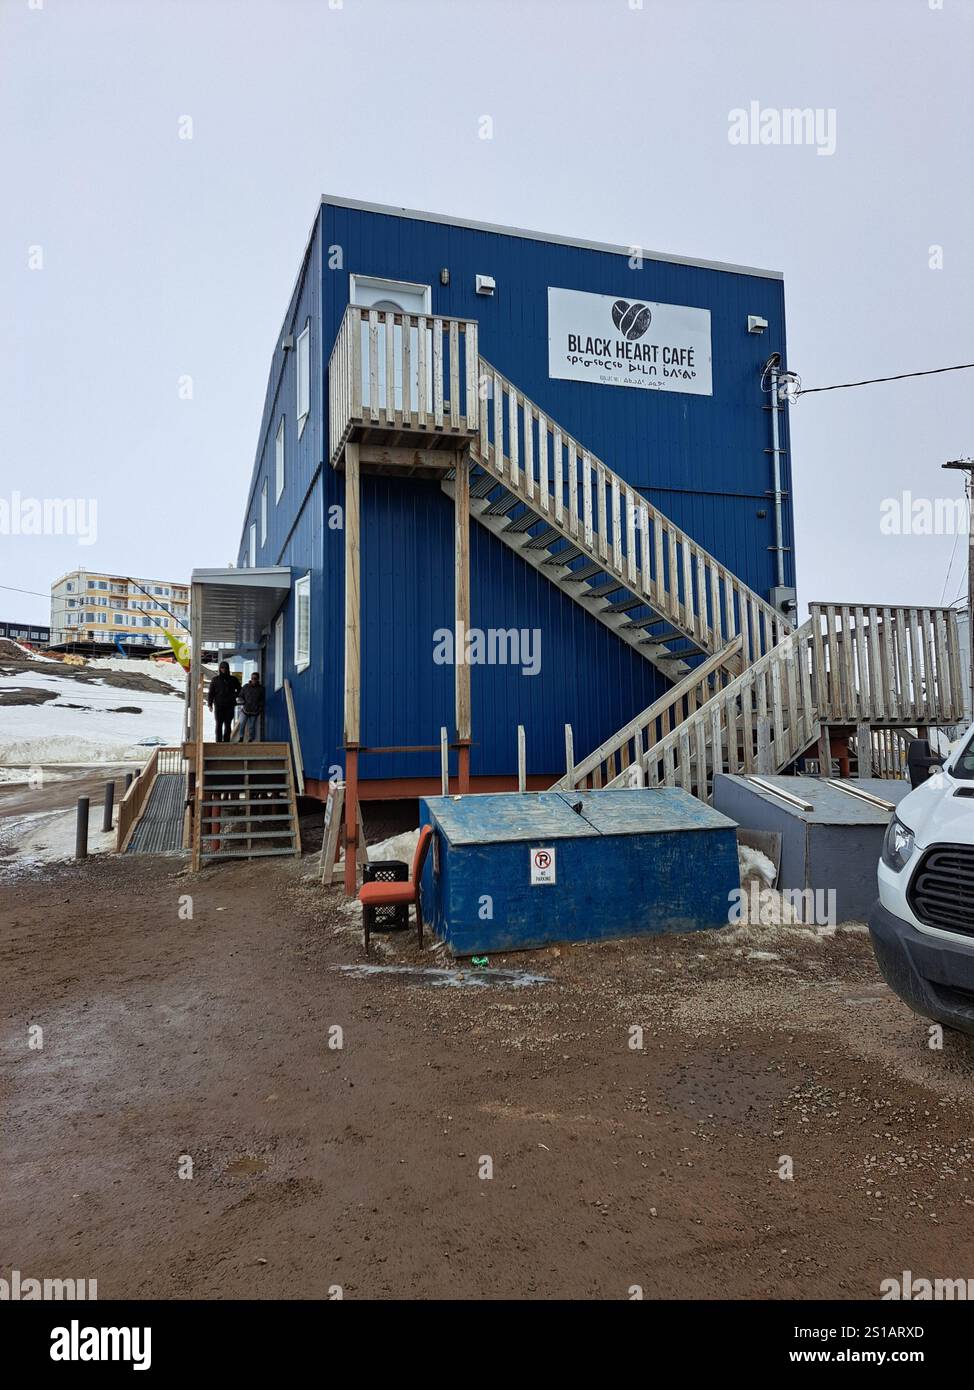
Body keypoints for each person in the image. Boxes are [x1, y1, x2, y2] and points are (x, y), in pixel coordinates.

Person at [207, 661, 241, 743]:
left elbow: (240, 690)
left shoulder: (233, 679)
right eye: (222, 668)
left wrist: (234, 695)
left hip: (230, 705)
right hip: (219, 705)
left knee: (228, 724)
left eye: (225, 668)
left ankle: (226, 742)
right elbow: (211, 693)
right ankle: (218, 742)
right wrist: (210, 704)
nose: (224, 669)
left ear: (228, 669)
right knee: (219, 724)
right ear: (219, 669)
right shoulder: (215, 680)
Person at [236, 672, 265, 743]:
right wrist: (241, 700)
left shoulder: (261, 689)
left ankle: (251, 739)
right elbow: (240, 695)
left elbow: (262, 700)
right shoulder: (245, 687)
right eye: (252, 678)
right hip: (245, 710)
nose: (253, 680)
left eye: (255, 678)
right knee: (242, 723)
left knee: (251, 727)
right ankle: (241, 737)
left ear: (258, 679)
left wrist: (260, 708)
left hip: (254, 712)